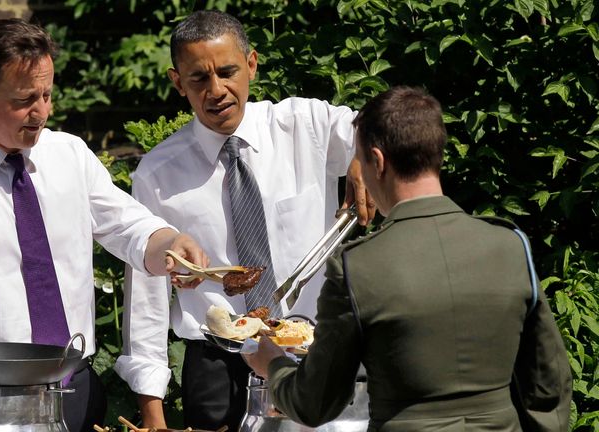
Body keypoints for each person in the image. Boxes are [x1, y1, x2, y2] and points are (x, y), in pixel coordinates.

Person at [0, 18, 209, 432]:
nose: (42, 111)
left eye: (47, 94)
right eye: (26, 99)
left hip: (75, 391)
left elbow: (129, 227)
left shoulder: (70, 155)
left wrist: (170, 242)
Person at [243, 86, 573, 431]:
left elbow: (315, 402)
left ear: (378, 162)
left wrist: (274, 365)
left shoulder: (356, 267)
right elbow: (548, 384)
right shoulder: (510, 246)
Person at [114, 10, 374, 431]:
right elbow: (146, 299)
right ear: (177, 82)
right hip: (216, 368)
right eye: (198, 78)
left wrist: (366, 147)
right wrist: (152, 412)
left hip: (311, 352)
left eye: (228, 71)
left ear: (251, 63)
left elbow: (378, 123)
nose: (216, 90)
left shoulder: (303, 125)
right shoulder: (157, 174)